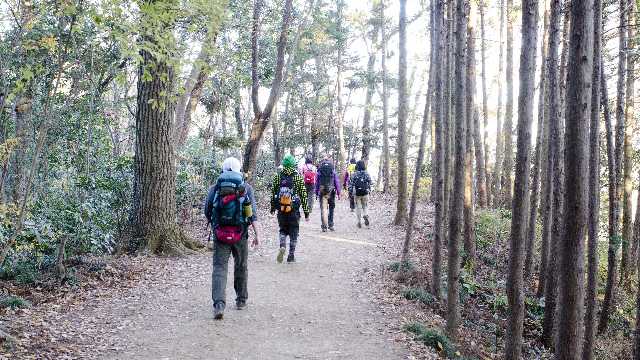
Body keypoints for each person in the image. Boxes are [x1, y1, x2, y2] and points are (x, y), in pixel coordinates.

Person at [204, 157, 259, 320]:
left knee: (220, 267)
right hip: (240, 233)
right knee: (241, 265)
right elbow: (252, 214)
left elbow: (207, 210)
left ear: (223, 170)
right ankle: (241, 299)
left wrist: (216, 226)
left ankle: (219, 305)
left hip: (220, 234)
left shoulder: (215, 188)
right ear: (238, 170)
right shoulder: (246, 188)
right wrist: (257, 234)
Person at [271, 154, 310, 263]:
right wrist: (306, 212)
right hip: (294, 210)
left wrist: (272, 207)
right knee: (294, 231)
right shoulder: (298, 177)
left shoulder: (278, 176)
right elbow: (303, 195)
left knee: (282, 229)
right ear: (293, 165)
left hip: (281, 209)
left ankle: (282, 245)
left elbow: (273, 193)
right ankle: (291, 255)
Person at [315, 155, 341, 232]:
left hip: (322, 191)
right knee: (331, 208)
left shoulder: (320, 170)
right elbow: (336, 181)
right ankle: (331, 225)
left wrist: (316, 192)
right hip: (331, 191)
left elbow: (317, 182)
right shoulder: (332, 169)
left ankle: (324, 226)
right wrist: (338, 192)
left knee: (323, 208)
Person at [349, 160, 372, 228]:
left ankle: (359, 222)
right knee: (365, 206)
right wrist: (369, 189)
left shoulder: (354, 174)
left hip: (357, 193)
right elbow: (370, 182)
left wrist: (350, 192)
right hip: (365, 192)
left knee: (358, 207)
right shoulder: (366, 173)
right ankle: (365, 214)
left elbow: (351, 184)